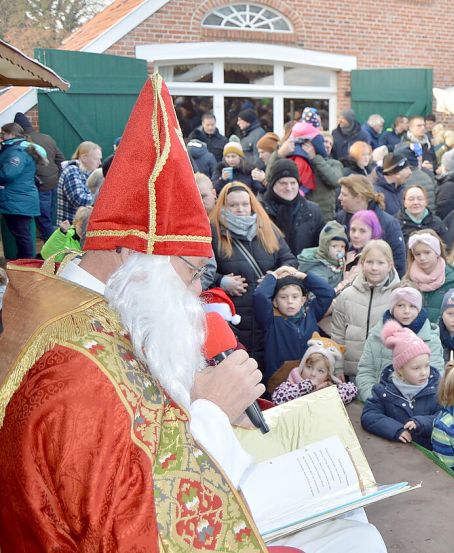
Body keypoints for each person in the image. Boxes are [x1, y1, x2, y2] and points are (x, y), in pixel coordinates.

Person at [0, 76, 383, 549]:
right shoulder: (75, 370)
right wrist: (211, 412)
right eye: (190, 270)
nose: (194, 292)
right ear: (129, 252)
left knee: (351, 522)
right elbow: (137, 528)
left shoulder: (101, 316)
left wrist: (196, 399)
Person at [209, 182, 296, 368]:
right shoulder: (214, 232)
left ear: (251, 204)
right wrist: (221, 281)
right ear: (223, 206)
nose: (240, 209)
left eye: (244, 204)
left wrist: (274, 277)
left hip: (267, 314)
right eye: (233, 205)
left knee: (269, 367)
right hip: (235, 318)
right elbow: (202, 270)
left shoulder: (268, 229)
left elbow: (289, 260)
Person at [360, 320, 441, 448]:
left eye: (427, 365)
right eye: (416, 368)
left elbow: (445, 416)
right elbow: (369, 416)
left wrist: (421, 423)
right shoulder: (384, 391)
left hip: (428, 458)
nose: (424, 372)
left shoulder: (436, 390)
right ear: (400, 370)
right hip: (396, 455)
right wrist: (395, 429)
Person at [354, 286, 444, 401]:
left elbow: (437, 375)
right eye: (400, 305)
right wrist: (375, 400)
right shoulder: (376, 336)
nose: (406, 311)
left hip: (420, 407)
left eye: (412, 306)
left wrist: (417, 405)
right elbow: (365, 372)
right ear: (392, 308)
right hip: (381, 403)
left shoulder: (431, 338)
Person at [330, 240, 400, 378]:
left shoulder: (398, 296)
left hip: (385, 375)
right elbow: (337, 334)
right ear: (362, 264)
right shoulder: (346, 296)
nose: (374, 268)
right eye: (369, 262)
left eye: (380, 263)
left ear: (390, 265)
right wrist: (337, 368)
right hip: (351, 374)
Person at [253, 266, 335, 381]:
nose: (290, 301)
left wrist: (303, 277)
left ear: (303, 300)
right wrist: (274, 275)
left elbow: (328, 292)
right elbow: (260, 296)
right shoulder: (270, 319)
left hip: (311, 379)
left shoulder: (311, 313)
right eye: (283, 297)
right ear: (275, 302)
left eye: (295, 297)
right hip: (280, 383)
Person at [336, 174, 406, 274]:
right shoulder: (340, 219)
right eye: (353, 230)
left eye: (344, 194)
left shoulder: (388, 223)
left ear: (358, 197)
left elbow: (399, 262)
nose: (339, 198)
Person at [13, 112, 63, 239]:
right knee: (49, 218)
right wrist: (56, 175)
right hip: (52, 182)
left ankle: (52, 251)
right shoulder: (47, 137)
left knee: (44, 220)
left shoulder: (23, 143)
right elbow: (61, 159)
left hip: (40, 185)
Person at [261, 158, 325, 256]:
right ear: (272, 184)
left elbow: (321, 247)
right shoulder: (260, 211)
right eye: (283, 183)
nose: (289, 188)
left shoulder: (313, 211)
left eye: (293, 183)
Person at [0, 123, 43, 259]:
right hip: (18, 199)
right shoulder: (19, 149)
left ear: (11, 134)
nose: (2, 137)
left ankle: (28, 265)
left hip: (18, 200)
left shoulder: (16, 152)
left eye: (3, 134)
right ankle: (24, 263)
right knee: (21, 236)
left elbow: (8, 174)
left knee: (23, 237)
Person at [271, 335, 355, 405]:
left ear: (327, 375)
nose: (313, 374)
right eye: (309, 367)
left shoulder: (328, 387)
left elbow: (352, 389)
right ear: (302, 366)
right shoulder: (291, 384)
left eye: (320, 371)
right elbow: (277, 399)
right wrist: (307, 385)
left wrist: (326, 395)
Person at [403, 229, 454, 324]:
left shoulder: (452, 281)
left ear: (437, 252)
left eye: (427, 252)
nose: (422, 258)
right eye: (417, 254)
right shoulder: (407, 281)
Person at [56, 141, 100, 226]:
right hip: (69, 230)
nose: (99, 162)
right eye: (96, 159)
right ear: (84, 158)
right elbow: (79, 200)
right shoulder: (72, 171)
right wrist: (103, 198)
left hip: (80, 228)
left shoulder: (87, 172)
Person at [297, 220, 348, 288]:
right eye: (334, 246)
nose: (339, 250)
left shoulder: (341, 261)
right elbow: (319, 293)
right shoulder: (318, 268)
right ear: (325, 247)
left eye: (342, 246)